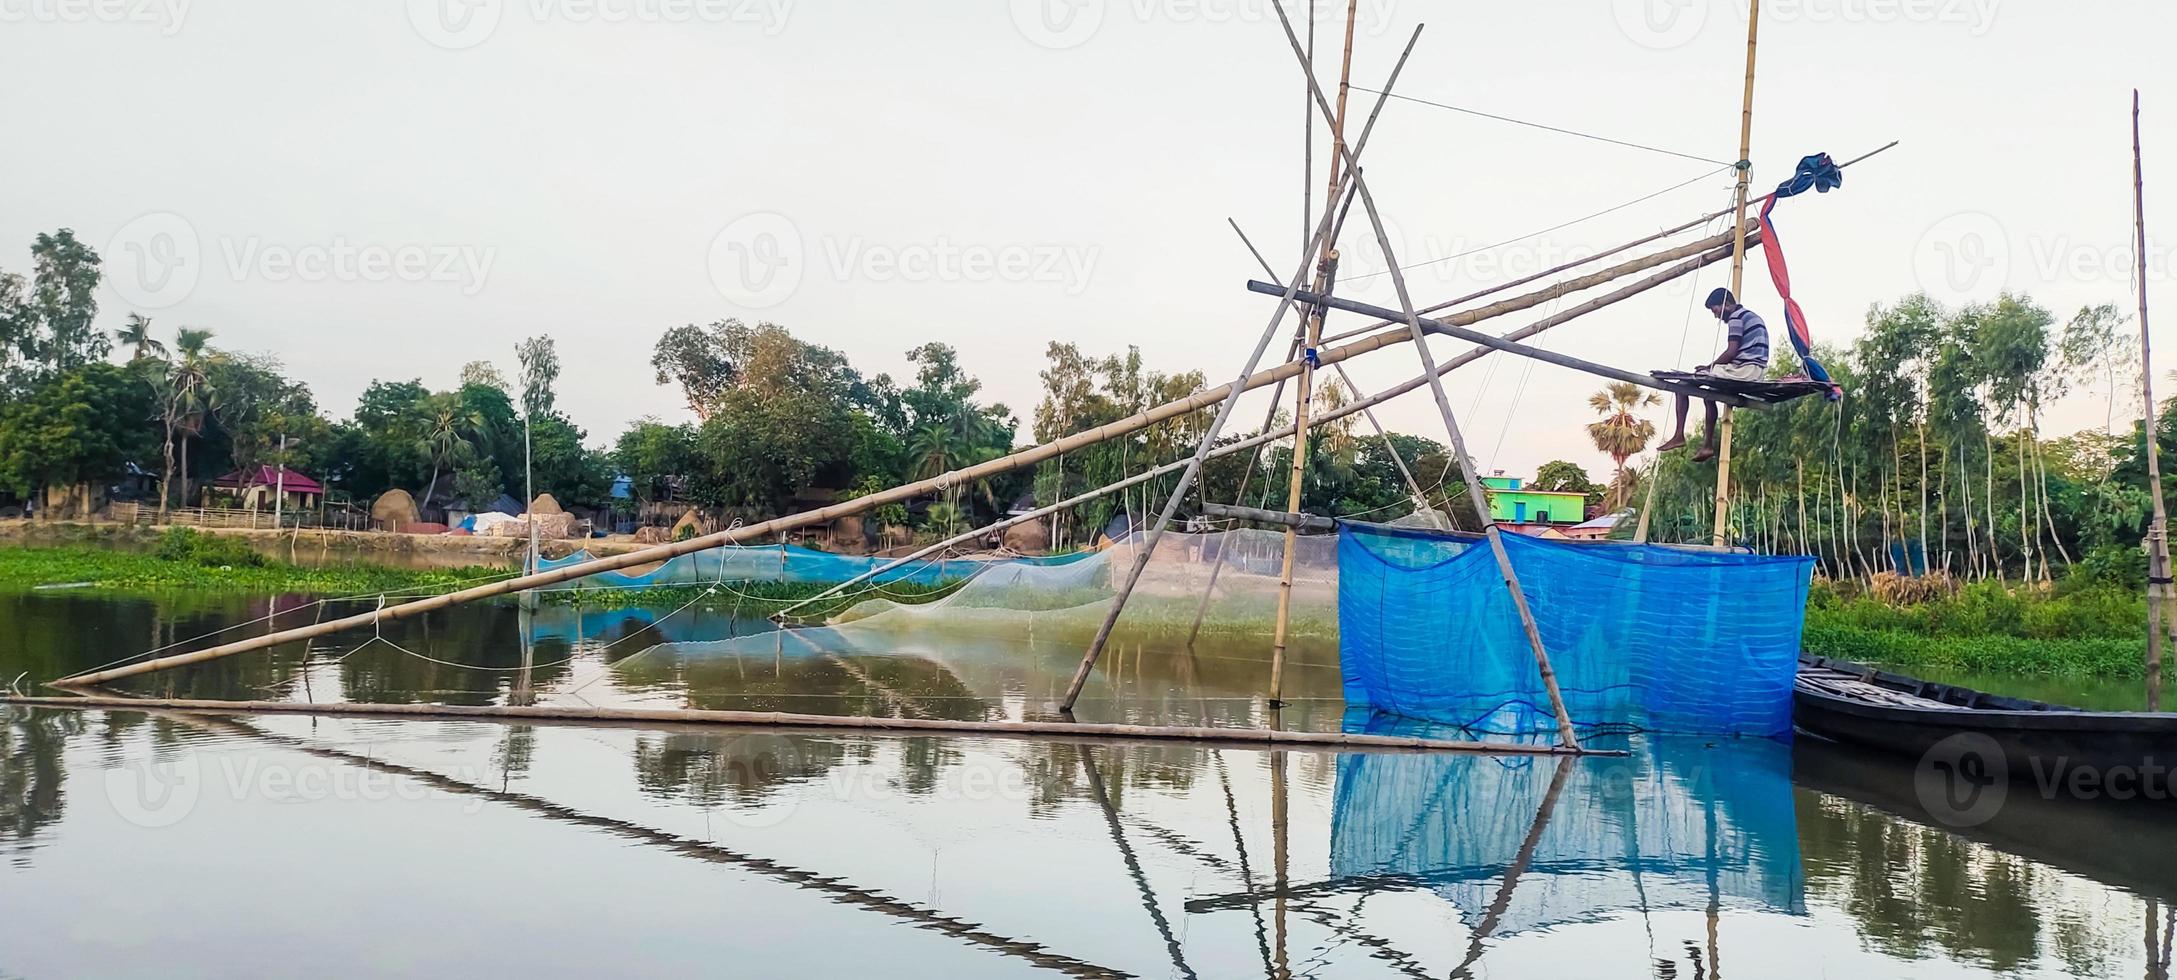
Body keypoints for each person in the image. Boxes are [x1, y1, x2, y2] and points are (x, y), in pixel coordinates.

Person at [1656, 287, 1769, 463]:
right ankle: (1706, 446)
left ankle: (1679, 435)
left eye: (1716, 310)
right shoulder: (1749, 315)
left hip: (1746, 370)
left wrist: (1710, 367)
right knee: (1710, 396)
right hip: (1754, 370)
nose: (1716, 316)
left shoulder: (1736, 318)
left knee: (1682, 385)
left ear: (1726, 304)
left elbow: (1731, 352)